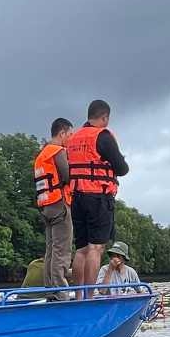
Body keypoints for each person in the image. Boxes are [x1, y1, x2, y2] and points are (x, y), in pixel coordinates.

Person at [67, 100, 129, 299]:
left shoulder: (73, 138)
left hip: (77, 197)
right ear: (105, 117)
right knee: (96, 248)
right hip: (98, 197)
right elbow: (122, 168)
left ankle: (78, 297)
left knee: (81, 249)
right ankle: (90, 297)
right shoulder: (102, 136)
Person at [34, 117, 73, 299]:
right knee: (61, 250)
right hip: (59, 204)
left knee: (50, 249)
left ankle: (49, 289)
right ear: (62, 133)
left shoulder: (42, 154)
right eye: (70, 135)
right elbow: (67, 175)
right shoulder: (57, 151)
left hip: (45, 207)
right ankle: (60, 292)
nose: (70, 139)